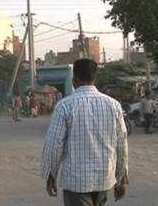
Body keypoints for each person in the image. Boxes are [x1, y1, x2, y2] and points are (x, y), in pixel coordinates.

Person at [41, 59, 129, 206]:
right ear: (95, 78)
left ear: (74, 79)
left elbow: (54, 145)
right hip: (104, 178)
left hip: (76, 181)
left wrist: (51, 174)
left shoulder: (64, 106)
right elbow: (122, 145)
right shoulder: (114, 105)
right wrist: (122, 178)